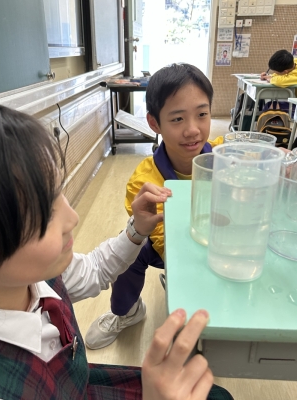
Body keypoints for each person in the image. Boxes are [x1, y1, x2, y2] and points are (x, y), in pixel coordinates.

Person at [0, 98, 233, 399]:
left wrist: (137, 229)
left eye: (58, 192)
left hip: (75, 379)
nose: (72, 218)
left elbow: (94, 270)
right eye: (43, 213)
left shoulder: (32, 274)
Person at [85, 63, 225, 350]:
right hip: (174, 248)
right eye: (177, 119)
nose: (193, 130)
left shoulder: (226, 155)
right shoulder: (144, 182)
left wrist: (287, 162)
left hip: (224, 244)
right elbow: (163, 243)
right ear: (154, 123)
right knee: (129, 248)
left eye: (202, 114)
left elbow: (263, 159)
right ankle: (127, 311)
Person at [259, 49, 297, 148]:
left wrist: (269, 78)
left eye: (276, 72)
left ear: (285, 71)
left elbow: (279, 81)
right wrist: (271, 76)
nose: (275, 73)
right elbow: (284, 77)